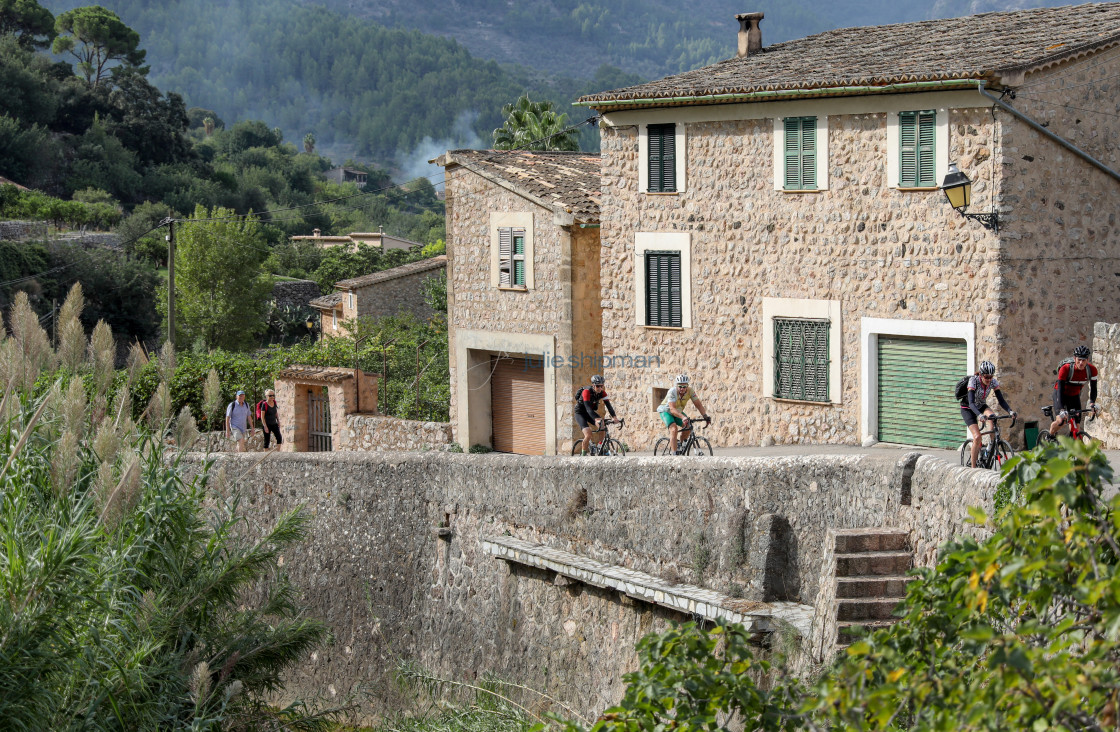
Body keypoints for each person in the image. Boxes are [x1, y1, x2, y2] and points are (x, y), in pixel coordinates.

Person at [959, 360, 1016, 468]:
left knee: (993, 417)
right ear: (980, 375)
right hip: (968, 408)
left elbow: (1001, 400)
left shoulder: (993, 382)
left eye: (991, 377)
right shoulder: (973, 381)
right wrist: (980, 415)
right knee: (977, 437)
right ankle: (973, 469)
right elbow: (971, 403)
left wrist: (1010, 411)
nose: (989, 379)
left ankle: (990, 447)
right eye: (986, 377)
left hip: (981, 405)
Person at [1049, 345, 1099, 437]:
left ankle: (1072, 442)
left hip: (1074, 396)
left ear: (1087, 360)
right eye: (1079, 360)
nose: (1081, 363)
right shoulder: (1066, 369)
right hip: (1061, 394)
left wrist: (1092, 403)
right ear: (1074, 358)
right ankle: (1050, 435)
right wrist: (1061, 409)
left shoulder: (1092, 370)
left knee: (1076, 423)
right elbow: (1060, 389)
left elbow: (1094, 388)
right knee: (1061, 421)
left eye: (1083, 360)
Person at [657, 374, 710, 455]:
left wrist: (705, 416)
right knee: (674, 429)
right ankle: (674, 456)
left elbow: (698, 404)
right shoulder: (672, 391)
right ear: (676, 385)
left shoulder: (690, 391)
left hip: (677, 411)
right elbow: (672, 409)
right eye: (680, 386)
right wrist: (683, 417)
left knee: (688, 426)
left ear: (687, 386)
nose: (682, 388)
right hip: (666, 411)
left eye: (684, 386)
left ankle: (680, 447)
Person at [575, 375, 618, 455]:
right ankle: (583, 454)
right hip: (580, 413)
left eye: (602, 386)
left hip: (590, 413)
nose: (600, 388)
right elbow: (588, 409)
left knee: (602, 426)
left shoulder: (603, 393)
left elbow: (608, 405)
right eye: (598, 386)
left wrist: (614, 417)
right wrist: (596, 418)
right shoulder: (586, 392)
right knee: (588, 434)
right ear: (593, 385)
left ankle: (600, 447)